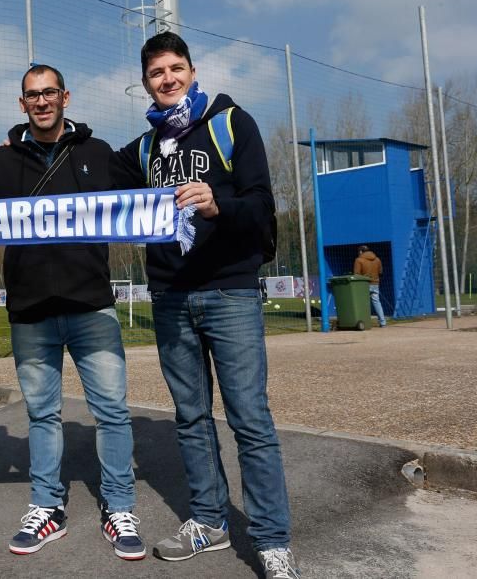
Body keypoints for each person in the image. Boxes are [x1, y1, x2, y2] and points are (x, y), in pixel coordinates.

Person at [113, 31, 300, 579]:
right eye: (155, 74)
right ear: (144, 83)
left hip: (229, 292)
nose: (167, 79)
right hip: (170, 296)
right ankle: (208, 522)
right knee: (192, 418)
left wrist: (218, 204)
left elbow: (264, 205)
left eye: (175, 69)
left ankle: (271, 540)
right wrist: (28, 139)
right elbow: (89, 179)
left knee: (250, 419)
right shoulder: (144, 149)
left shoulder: (231, 122)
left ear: (192, 71)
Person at [0, 65, 144, 561]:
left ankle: (119, 507)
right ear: (21, 103)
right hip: (30, 309)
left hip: (91, 305)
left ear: (66, 97)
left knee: (112, 411)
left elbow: (145, 192)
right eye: (33, 95)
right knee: (42, 414)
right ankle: (47, 507)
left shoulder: (97, 153)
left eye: (50, 92)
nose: (42, 101)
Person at [354, 245, 387, 327]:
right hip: (375, 283)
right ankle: (383, 322)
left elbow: (356, 274)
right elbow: (380, 272)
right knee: (377, 302)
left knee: (362, 303)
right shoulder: (377, 259)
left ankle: (364, 322)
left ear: (361, 251)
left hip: (364, 284)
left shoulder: (359, 260)